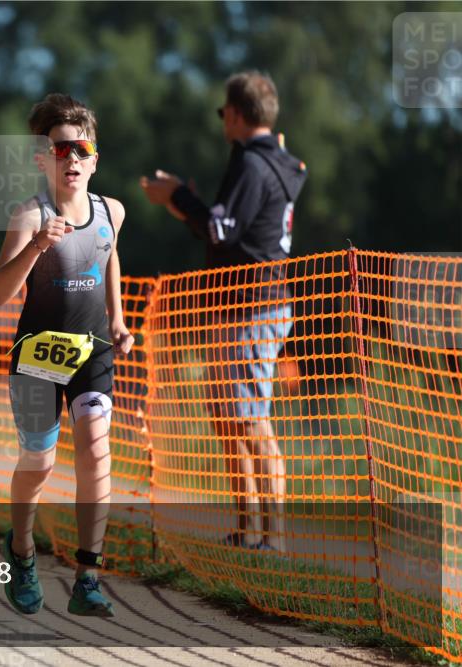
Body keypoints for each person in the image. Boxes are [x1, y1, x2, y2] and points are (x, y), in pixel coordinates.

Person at [140, 71, 307, 552]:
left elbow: (221, 229)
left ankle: (272, 538)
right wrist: (185, 205)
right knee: (230, 418)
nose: (222, 121)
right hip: (235, 305)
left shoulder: (254, 167)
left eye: (222, 113)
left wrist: (177, 196)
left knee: (252, 420)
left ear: (234, 114)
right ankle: (245, 527)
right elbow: (223, 228)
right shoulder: (256, 161)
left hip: (253, 307)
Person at [0, 93, 134, 615]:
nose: (72, 158)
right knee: (40, 460)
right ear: (42, 158)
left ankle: (88, 576)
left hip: (92, 350)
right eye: (61, 148)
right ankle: (22, 550)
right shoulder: (29, 215)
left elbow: (109, 256)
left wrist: (117, 320)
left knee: (96, 447)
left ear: (96, 159)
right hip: (38, 354)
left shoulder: (110, 211)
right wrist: (34, 248)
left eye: (82, 148)